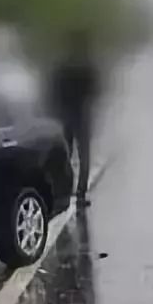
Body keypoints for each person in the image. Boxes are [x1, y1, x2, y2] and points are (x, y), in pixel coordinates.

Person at [46, 30, 100, 205]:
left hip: (65, 114)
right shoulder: (88, 66)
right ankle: (81, 194)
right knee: (84, 156)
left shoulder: (62, 66)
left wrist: (56, 110)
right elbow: (95, 91)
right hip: (82, 114)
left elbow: (53, 91)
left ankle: (61, 192)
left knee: (65, 154)